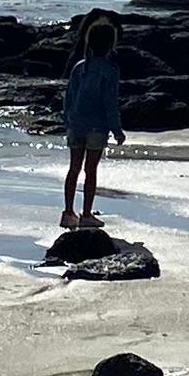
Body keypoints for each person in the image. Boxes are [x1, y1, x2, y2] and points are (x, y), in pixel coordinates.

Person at [60, 13, 126, 231]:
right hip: (97, 127)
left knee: (73, 169)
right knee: (90, 170)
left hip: (76, 124)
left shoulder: (79, 66)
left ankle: (68, 212)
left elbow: (69, 97)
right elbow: (110, 102)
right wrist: (116, 129)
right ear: (110, 45)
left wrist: (67, 119)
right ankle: (86, 214)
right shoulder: (110, 70)